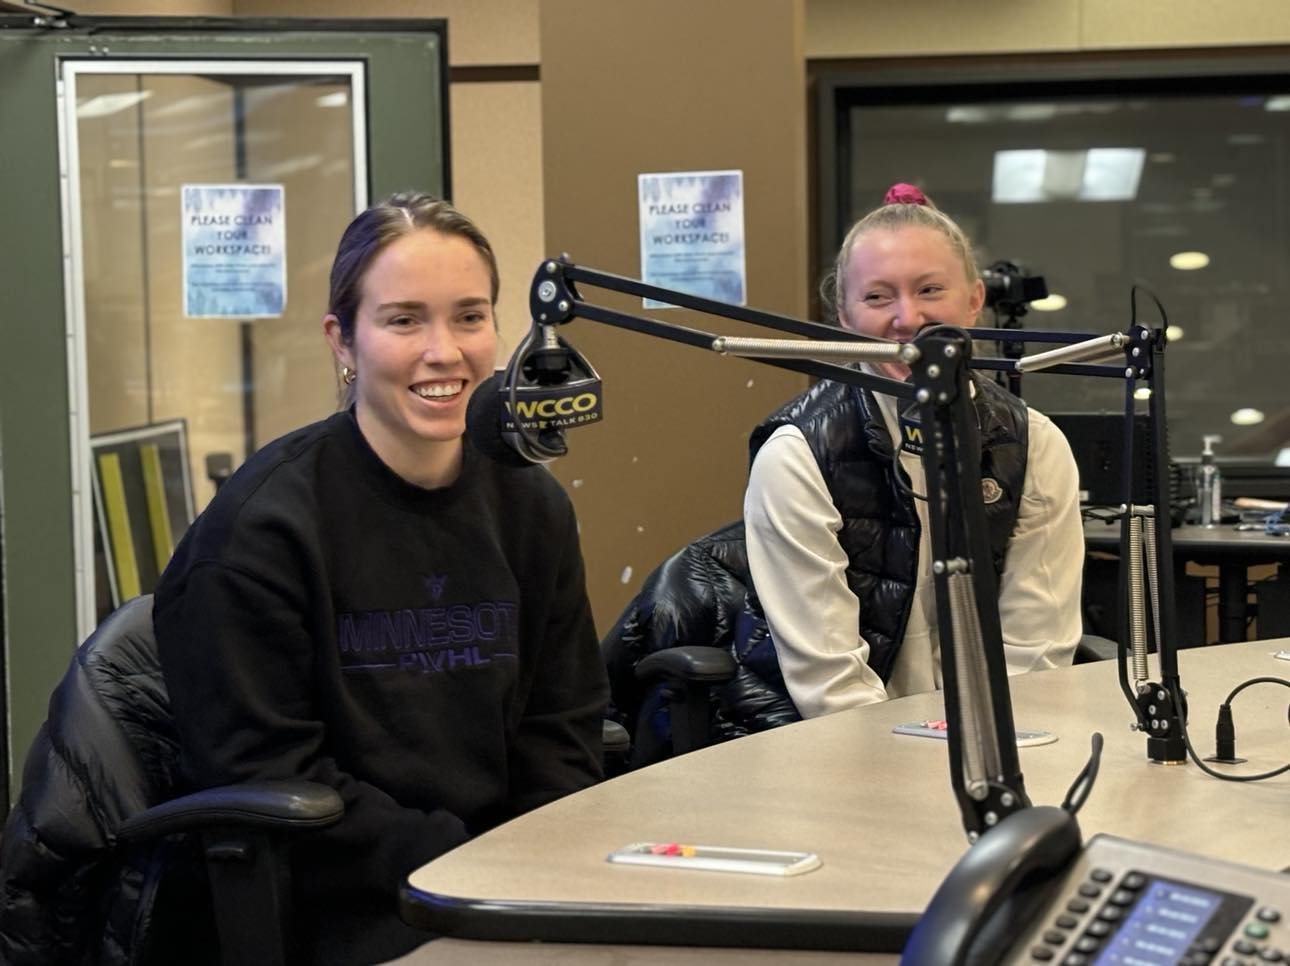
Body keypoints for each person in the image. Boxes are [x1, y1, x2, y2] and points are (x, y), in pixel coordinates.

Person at [153, 192, 609, 965]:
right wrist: (467, 866)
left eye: (469, 316)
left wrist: (534, 869)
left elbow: (561, 729)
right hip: (339, 903)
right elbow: (273, 779)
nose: (445, 351)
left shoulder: (530, 503)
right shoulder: (258, 532)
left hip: (505, 884)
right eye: (403, 321)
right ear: (343, 341)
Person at [742, 183, 1083, 720]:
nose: (907, 319)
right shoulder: (797, 455)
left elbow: (1036, 647)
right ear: (844, 314)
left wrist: (988, 745)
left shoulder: (1034, 443)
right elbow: (829, 681)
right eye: (877, 297)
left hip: (995, 738)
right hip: (838, 746)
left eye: (929, 290)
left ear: (974, 300)